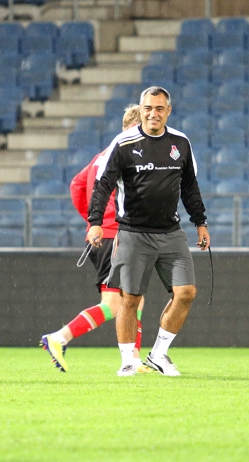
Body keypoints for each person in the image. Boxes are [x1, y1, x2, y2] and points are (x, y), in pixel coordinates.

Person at [86, 86, 210, 376]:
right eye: (148, 108)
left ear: (168, 111)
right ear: (140, 110)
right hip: (133, 232)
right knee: (130, 298)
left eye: (159, 108)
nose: (153, 113)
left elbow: (189, 186)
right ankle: (129, 359)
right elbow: (103, 184)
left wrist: (200, 221)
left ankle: (158, 355)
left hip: (170, 231)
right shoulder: (124, 143)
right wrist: (94, 222)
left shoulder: (181, 142)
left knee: (187, 292)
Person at [41, 104, 151, 375]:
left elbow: (77, 186)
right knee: (114, 303)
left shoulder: (101, 156)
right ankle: (60, 337)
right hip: (117, 235)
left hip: (103, 235)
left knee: (135, 299)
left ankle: (134, 359)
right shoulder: (131, 153)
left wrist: (93, 223)